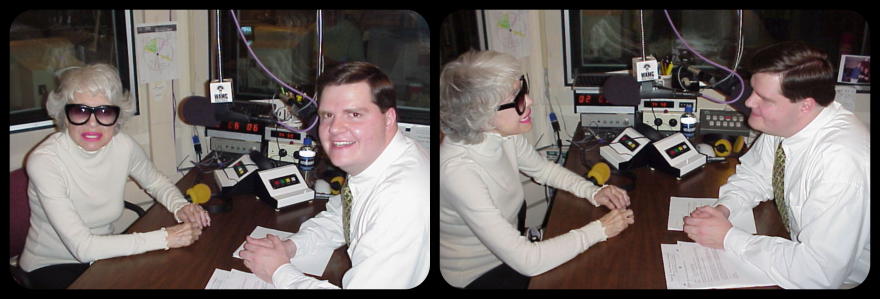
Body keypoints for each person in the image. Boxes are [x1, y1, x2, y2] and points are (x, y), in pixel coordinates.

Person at [439, 50, 634, 289]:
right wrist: (600, 229)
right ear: (483, 116)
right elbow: (528, 261)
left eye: (523, 89)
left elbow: (544, 170)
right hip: (477, 275)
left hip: (510, 254)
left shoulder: (501, 135)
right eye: (518, 97)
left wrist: (592, 191)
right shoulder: (458, 172)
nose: (529, 100)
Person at [683, 41, 870, 289]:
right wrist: (725, 208)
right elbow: (756, 175)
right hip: (798, 253)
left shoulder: (841, 164)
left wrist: (728, 238)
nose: (749, 102)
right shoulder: (787, 123)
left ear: (805, 105)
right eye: (752, 91)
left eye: (764, 99)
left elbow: (821, 272)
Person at [239, 62, 430, 289]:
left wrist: (280, 272)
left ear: (388, 118)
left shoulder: (402, 198)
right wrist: (291, 247)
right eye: (328, 115)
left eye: (354, 114)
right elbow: (342, 219)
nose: (335, 128)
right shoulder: (374, 158)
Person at [21, 63, 209, 289]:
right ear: (65, 114)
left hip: (101, 256)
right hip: (52, 265)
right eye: (80, 111)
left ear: (117, 116)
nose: (92, 123)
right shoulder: (45, 161)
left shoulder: (123, 146)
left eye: (104, 111)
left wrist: (180, 206)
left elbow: (156, 181)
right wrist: (165, 238)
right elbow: (83, 248)